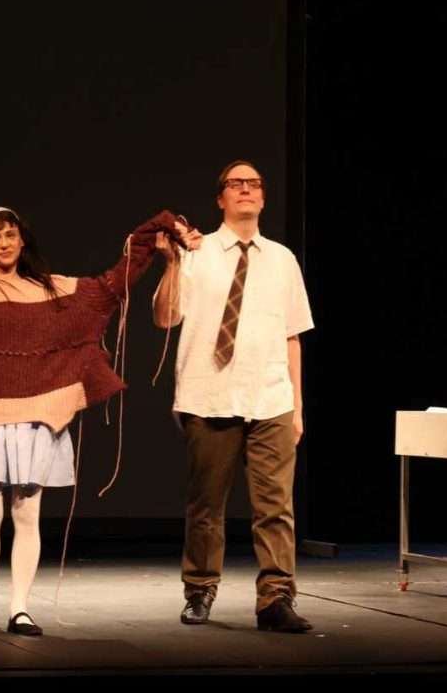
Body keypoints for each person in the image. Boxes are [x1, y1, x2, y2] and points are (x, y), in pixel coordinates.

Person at [0, 204, 194, 637]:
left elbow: (112, 285)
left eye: (10, 234)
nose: (4, 243)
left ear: (22, 241)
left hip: (37, 418)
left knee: (27, 515)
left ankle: (19, 606)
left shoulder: (53, 290)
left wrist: (155, 231)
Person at [152, 160, 314, 632]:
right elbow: (165, 317)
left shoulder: (282, 259)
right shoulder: (196, 253)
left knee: (276, 507)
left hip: (271, 397)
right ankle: (200, 589)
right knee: (206, 504)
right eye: (235, 183)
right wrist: (172, 263)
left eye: (254, 183)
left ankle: (276, 599)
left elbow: (292, 336)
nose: (246, 189)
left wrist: (297, 406)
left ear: (263, 197)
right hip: (209, 394)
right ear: (220, 198)